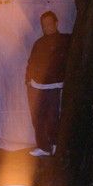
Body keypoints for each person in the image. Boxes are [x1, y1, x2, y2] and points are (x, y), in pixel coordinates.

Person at [25, 11, 70, 157]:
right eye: (44, 25)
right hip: (36, 86)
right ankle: (43, 146)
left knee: (52, 117)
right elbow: (31, 62)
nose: (47, 27)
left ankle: (55, 144)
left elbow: (69, 62)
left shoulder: (65, 40)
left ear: (56, 23)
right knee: (37, 117)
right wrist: (28, 79)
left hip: (54, 86)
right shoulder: (38, 43)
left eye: (49, 24)